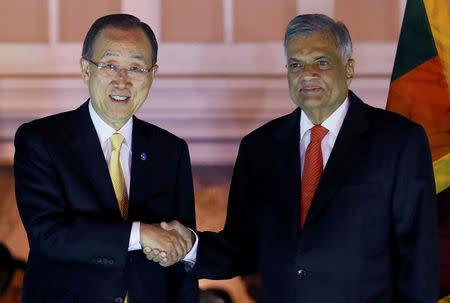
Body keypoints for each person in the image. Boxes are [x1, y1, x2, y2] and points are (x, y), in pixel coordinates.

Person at [146, 14, 440, 303]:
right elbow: (241, 248)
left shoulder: (398, 141)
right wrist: (188, 246)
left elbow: (418, 258)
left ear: (348, 68)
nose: (307, 74)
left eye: (321, 62)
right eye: (296, 64)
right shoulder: (259, 147)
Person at [14, 14, 198, 303]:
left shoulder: (171, 150)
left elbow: (181, 257)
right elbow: (48, 235)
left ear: (152, 74)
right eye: (110, 65)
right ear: (86, 69)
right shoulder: (41, 140)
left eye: (136, 67)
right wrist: (141, 234)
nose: (122, 81)